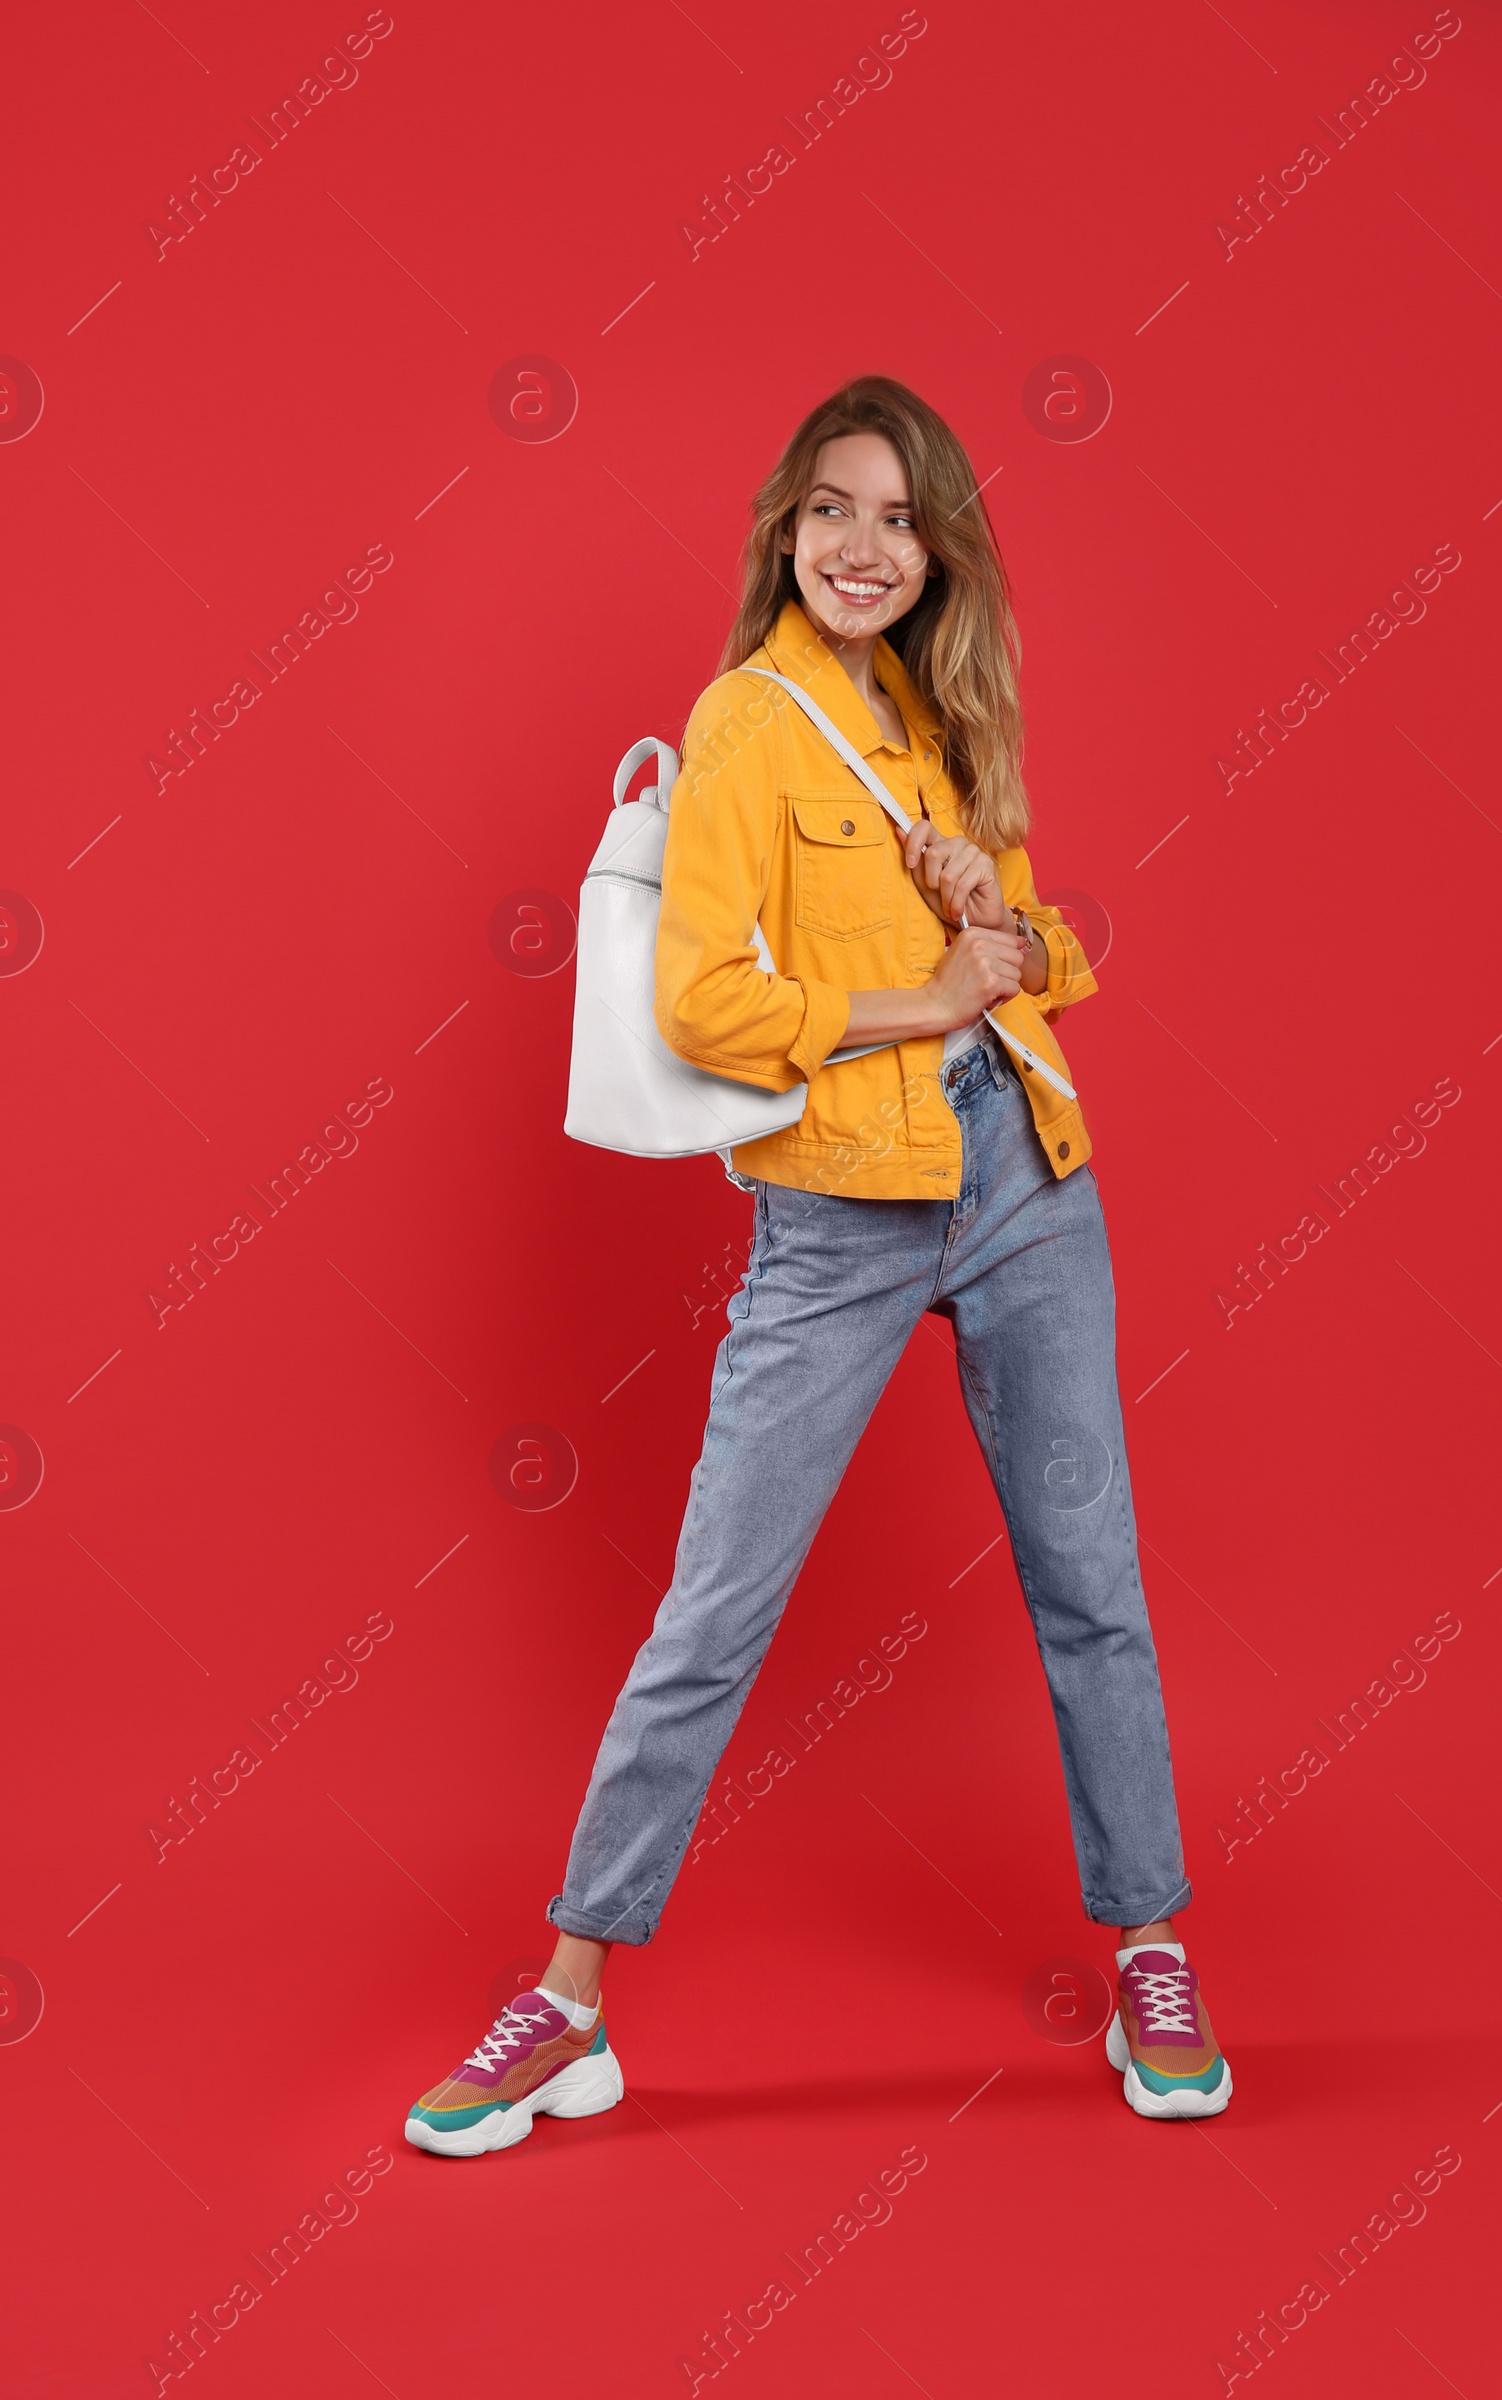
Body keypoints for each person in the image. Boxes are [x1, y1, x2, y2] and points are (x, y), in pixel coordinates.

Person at [405, 375, 1230, 2156]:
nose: (868, 547)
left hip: (1026, 1179)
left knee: (1093, 1583)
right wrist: (921, 995)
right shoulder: (746, 723)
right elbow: (705, 1000)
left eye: (903, 520)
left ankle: (1154, 1947)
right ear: (789, 524)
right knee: (717, 1611)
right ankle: (566, 2008)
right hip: (842, 1214)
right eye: (839, 510)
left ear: (941, 559)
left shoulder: (937, 723)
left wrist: (992, 926)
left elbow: (1045, 960)